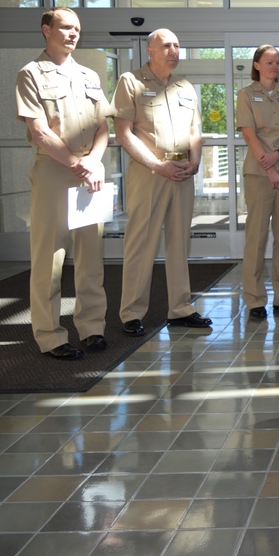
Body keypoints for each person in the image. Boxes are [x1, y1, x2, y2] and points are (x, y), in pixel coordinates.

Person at [15, 7, 110, 360]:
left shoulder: (89, 75)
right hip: (55, 171)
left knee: (90, 257)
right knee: (49, 258)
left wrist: (93, 162)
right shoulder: (31, 74)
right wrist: (76, 163)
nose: (73, 34)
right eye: (66, 27)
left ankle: (92, 328)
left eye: (77, 29)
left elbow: (103, 126)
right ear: (46, 30)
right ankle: (50, 335)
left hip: (90, 170)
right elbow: (38, 131)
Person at [112, 28, 212, 336]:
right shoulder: (131, 83)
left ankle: (180, 308)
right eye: (166, 45)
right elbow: (123, 133)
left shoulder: (185, 87)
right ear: (150, 51)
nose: (173, 50)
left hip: (182, 172)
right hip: (150, 173)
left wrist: (194, 162)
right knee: (141, 243)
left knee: (180, 242)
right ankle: (131, 312)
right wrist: (158, 165)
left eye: (177, 46)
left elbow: (195, 130)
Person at [235, 45, 279, 320]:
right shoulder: (246, 95)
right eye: (268, 62)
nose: (274, 66)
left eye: (277, 62)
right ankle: (254, 300)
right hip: (259, 173)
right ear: (256, 65)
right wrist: (270, 166)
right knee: (256, 238)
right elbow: (250, 135)